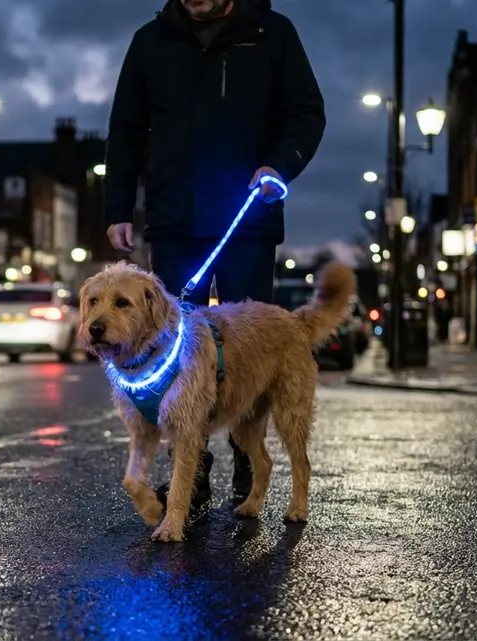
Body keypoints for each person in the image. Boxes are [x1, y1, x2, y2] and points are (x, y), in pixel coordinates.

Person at [103, 0, 326, 509]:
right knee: (174, 353)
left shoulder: (273, 32)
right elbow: (127, 130)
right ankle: (192, 473)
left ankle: (247, 459)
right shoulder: (150, 41)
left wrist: (279, 166)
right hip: (174, 218)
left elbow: (306, 113)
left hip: (248, 215)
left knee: (248, 348)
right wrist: (118, 207)